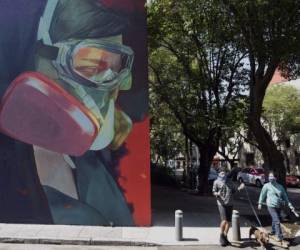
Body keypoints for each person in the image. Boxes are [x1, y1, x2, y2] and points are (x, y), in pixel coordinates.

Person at [0, 0, 147, 225]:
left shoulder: (93, 168)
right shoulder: (11, 177)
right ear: (36, 59)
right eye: (90, 66)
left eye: (115, 69)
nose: (113, 84)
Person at [258, 172, 296, 241]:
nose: (270, 178)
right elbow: (262, 194)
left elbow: (285, 197)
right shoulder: (266, 186)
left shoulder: (280, 187)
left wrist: (290, 206)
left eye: (272, 177)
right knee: (277, 221)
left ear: (276, 178)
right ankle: (279, 236)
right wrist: (260, 203)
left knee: (275, 219)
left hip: (278, 206)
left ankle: (273, 231)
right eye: (269, 176)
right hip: (270, 205)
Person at [213, 167, 244, 246]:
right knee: (224, 220)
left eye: (224, 173)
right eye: (221, 173)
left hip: (230, 203)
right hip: (221, 203)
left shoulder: (229, 181)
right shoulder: (216, 182)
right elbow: (213, 191)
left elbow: (234, 191)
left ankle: (225, 236)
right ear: (219, 174)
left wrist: (240, 188)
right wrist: (217, 194)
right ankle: (221, 235)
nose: (223, 174)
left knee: (229, 222)